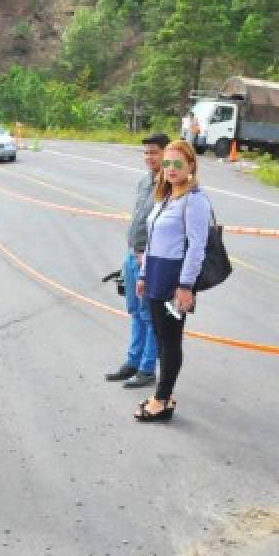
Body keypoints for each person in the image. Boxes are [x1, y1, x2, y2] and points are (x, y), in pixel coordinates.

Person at [133, 140, 210, 422]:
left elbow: (197, 247)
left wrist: (186, 286)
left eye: (178, 163)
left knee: (170, 340)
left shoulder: (195, 200)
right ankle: (165, 393)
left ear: (191, 166)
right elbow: (153, 240)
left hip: (174, 279)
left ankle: (162, 399)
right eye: (167, 163)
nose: (172, 169)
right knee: (161, 336)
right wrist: (143, 275)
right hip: (155, 274)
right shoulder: (165, 196)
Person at [106, 133, 170, 389]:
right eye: (146, 153)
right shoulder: (144, 183)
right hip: (132, 254)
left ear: (167, 153)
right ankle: (132, 362)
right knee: (134, 310)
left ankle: (146, 367)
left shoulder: (170, 185)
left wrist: (149, 256)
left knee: (148, 314)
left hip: (150, 258)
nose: (149, 157)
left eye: (154, 152)